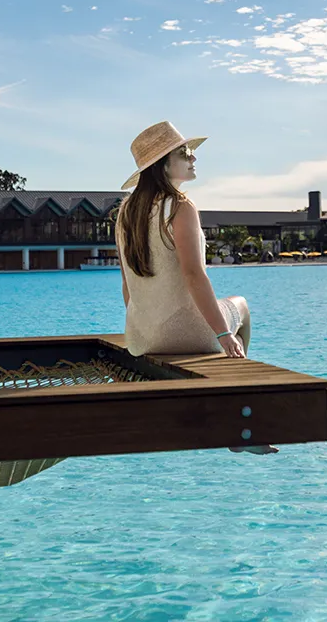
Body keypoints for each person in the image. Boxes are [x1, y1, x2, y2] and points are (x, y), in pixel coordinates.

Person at [115, 121, 277, 455]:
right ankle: (241, 419)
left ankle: (236, 411)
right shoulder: (181, 207)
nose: (193, 158)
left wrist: (144, 326)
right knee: (241, 307)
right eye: (184, 153)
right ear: (163, 164)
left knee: (220, 310)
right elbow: (193, 276)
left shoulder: (125, 214)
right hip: (189, 333)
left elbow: (127, 286)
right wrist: (222, 334)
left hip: (142, 336)